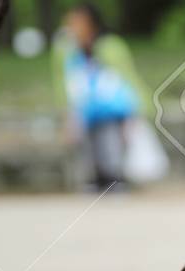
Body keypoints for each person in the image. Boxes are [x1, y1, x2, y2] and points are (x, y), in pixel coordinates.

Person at [52, 3, 155, 190]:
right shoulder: (66, 50)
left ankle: (115, 181)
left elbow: (127, 78)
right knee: (87, 152)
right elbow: (63, 83)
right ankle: (97, 182)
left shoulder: (111, 46)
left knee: (111, 148)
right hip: (85, 111)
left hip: (112, 111)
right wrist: (68, 114)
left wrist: (135, 111)